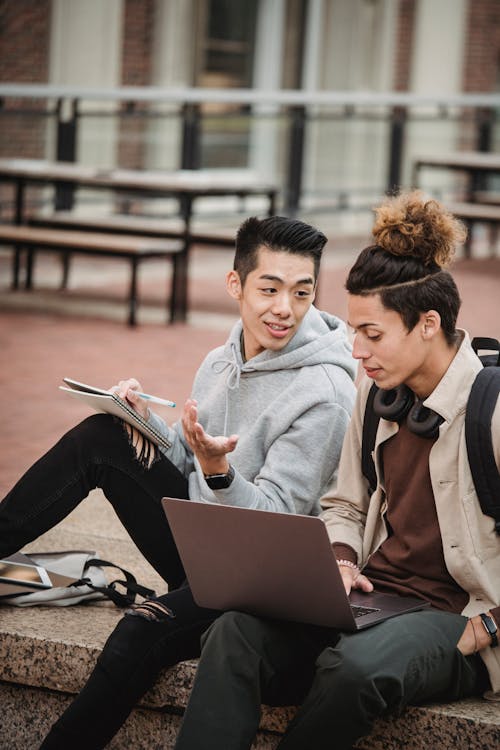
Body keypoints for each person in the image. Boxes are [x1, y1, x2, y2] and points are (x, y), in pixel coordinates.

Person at [172, 191, 500, 750]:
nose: (356, 350)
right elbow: (345, 505)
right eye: (353, 331)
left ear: (428, 324)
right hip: (375, 595)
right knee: (233, 632)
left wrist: (493, 627)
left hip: (460, 616)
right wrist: (343, 560)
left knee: (354, 668)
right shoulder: (375, 395)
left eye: (372, 335)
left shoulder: (491, 409)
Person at [14, 215, 357, 748]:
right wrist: (141, 422)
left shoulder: (326, 393)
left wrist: (219, 471)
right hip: (204, 545)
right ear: (235, 285)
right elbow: (188, 455)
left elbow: (272, 522)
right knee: (103, 437)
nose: (284, 308)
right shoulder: (220, 361)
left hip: (261, 583)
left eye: (301, 292)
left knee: (140, 628)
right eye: (269, 288)